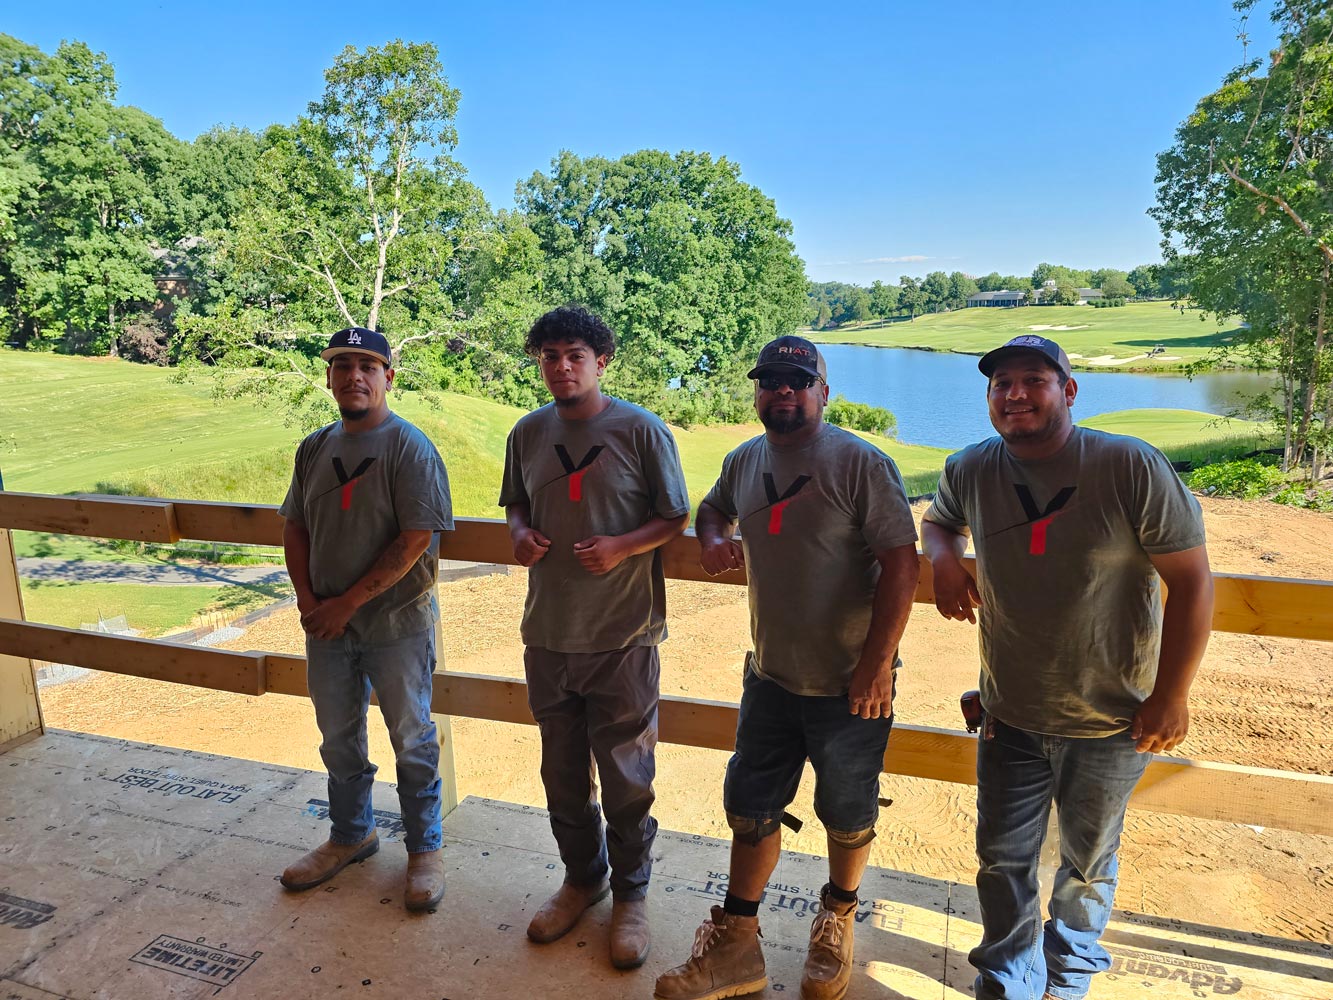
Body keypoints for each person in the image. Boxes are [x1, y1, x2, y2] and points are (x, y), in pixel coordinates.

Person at [920, 335, 1214, 1000]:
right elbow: (939, 523)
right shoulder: (970, 468)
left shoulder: (1127, 465)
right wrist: (942, 557)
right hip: (1009, 711)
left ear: (1068, 391)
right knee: (1001, 862)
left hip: (1112, 718)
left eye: (1033, 380)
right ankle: (1008, 979)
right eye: (1000, 384)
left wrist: (1171, 694)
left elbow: (1193, 584)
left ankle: (1070, 974)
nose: (1014, 395)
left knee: (1085, 866)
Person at [655, 336, 920, 1000]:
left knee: (846, 809)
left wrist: (876, 664)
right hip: (770, 676)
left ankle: (836, 918)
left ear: (823, 393)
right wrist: (713, 538)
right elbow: (713, 507)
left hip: (849, 682)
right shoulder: (745, 459)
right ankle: (736, 946)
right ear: (757, 391)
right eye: (770, 380)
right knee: (748, 806)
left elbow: (902, 564)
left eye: (798, 381)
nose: (783, 391)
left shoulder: (861, 463)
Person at [499, 306, 690, 969]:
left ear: (601, 359)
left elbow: (674, 514)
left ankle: (632, 893)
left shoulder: (640, 430)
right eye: (548, 355)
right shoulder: (526, 432)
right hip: (548, 633)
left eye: (574, 354)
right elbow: (514, 500)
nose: (561, 366)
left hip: (623, 634)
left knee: (627, 778)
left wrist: (621, 547)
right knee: (561, 776)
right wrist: (519, 533)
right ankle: (583, 879)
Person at [278, 326, 454, 912]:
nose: (355, 375)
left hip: (395, 625)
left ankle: (424, 849)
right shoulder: (314, 447)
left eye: (368, 366)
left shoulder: (410, 447)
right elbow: (296, 526)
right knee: (337, 736)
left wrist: (345, 603)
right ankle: (351, 835)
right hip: (326, 625)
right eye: (343, 364)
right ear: (329, 376)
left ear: (388, 378)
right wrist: (307, 601)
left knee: (411, 736)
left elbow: (415, 539)